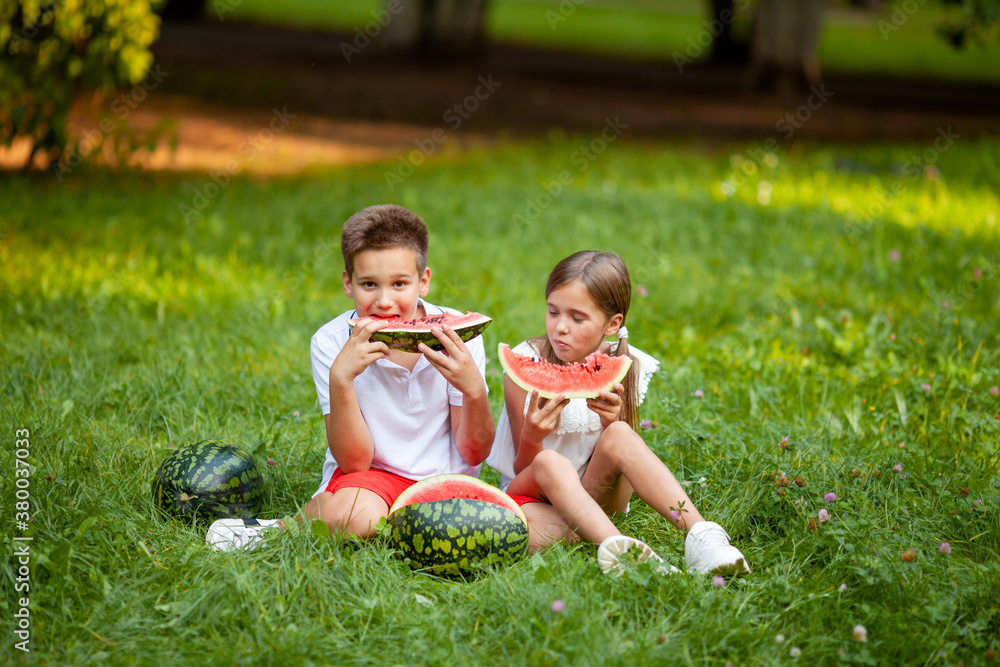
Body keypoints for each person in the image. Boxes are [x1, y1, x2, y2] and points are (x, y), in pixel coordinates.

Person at [207, 204, 495, 550]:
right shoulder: (330, 342)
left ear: (424, 281)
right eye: (369, 284)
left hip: (446, 483)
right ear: (348, 283)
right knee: (360, 517)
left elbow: (474, 452)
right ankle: (278, 529)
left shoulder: (458, 336)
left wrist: (475, 391)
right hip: (370, 479)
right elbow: (355, 462)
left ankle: (369, 525)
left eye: (400, 283)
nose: (384, 301)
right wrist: (340, 379)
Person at [486, 250, 749, 577]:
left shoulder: (625, 364)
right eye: (553, 312)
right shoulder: (526, 363)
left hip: (597, 500)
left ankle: (704, 537)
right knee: (549, 466)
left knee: (622, 434)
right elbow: (525, 468)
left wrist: (612, 422)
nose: (561, 327)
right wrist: (533, 436)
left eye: (577, 318)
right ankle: (623, 551)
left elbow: (621, 480)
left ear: (612, 324)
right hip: (532, 499)